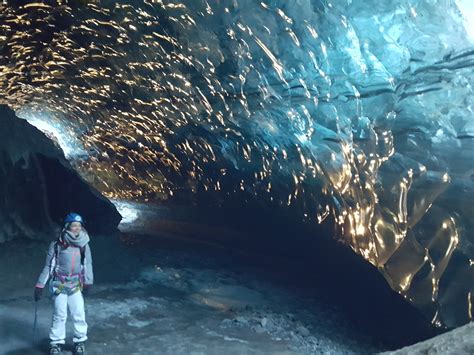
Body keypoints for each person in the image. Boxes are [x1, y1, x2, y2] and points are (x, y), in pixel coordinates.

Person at [34, 213, 94, 355]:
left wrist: (88, 281)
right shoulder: (56, 245)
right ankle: (56, 342)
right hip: (59, 285)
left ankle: (79, 341)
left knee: (78, 313)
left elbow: (87, 264)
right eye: (74, 225)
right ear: (67, 227)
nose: (77, 229)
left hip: (75, 285)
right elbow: (49, 267)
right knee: (59, 315)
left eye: (79, 226)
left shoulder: (84, 244)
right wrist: (39, 285)